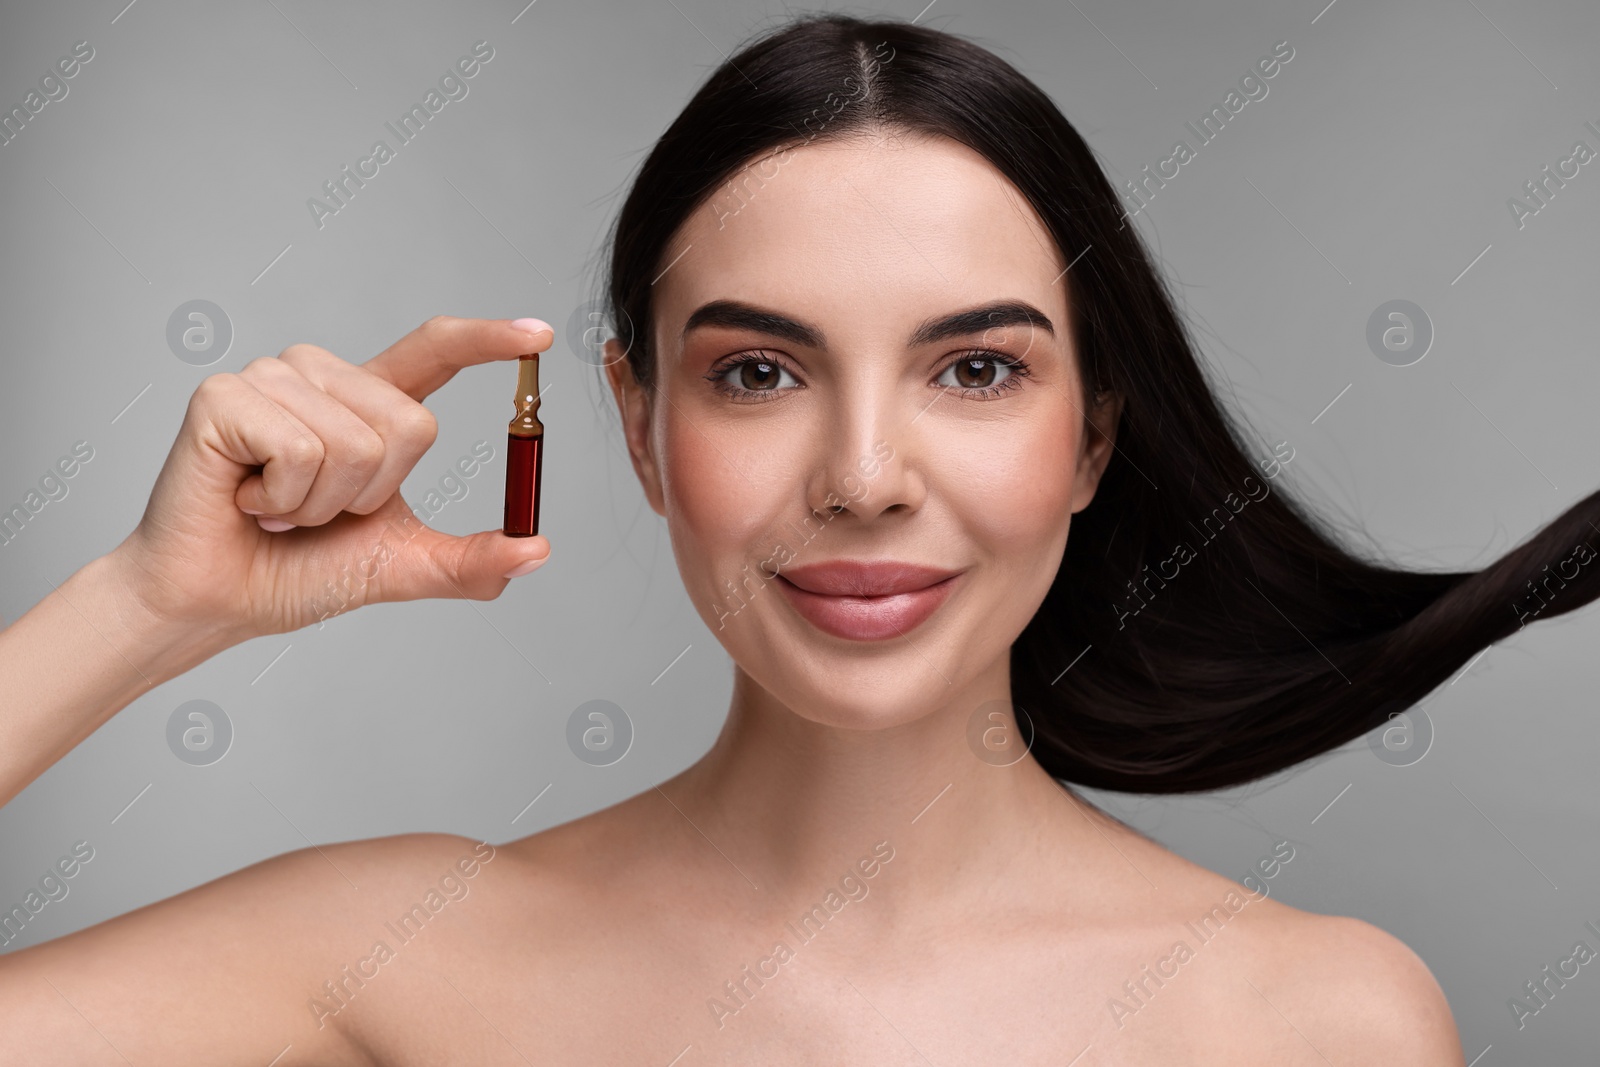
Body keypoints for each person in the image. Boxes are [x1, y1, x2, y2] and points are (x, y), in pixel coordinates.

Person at [6, 11, 1592, 1063]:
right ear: (638, 427)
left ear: (1093, 433)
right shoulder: (392, 954)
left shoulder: (1311, 1021)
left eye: (977, 370)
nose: (863, 475)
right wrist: (150, 607)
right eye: (758, 373)